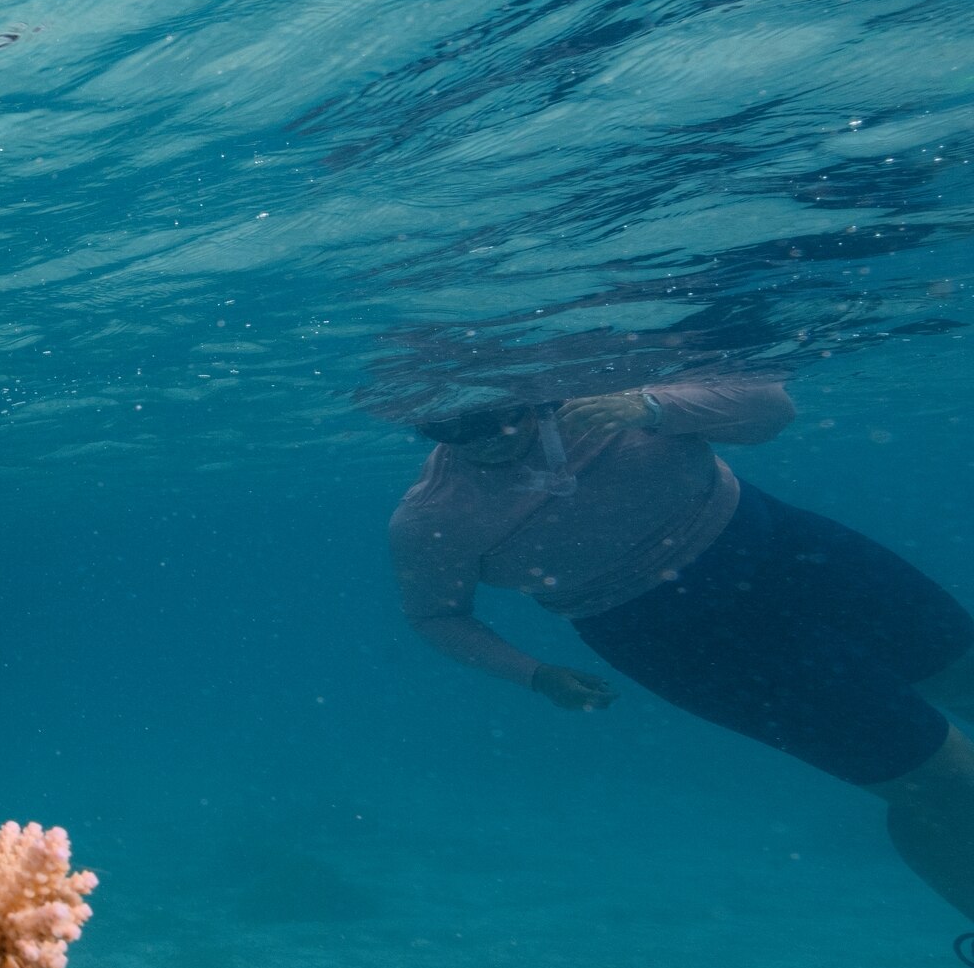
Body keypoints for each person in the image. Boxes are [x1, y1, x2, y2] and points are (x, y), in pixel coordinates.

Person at [390, 379, 974, 925]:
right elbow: (437, 615)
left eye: (496, 415)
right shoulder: (435, 514)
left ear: (534, 393)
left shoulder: (607, 400)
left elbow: (773, 410)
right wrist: (535, 675)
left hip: (789, 548)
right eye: (451, 429)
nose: (486, 441)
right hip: (687, 641)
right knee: (944, 786)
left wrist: (655, 407)